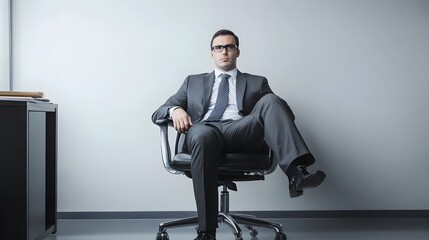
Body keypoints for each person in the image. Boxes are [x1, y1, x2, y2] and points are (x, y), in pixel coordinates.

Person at [152, 29, 326, 240]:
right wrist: (175, 110)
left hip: (241, 131)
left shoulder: (257, 82)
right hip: (205, 130)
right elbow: (158, 112)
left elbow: (283, 112)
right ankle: (206, 233)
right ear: (212, 53)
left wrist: (273, 108)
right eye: (219, 47)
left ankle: (296, 173)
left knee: (271, 101)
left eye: (230, 47)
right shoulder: (192, 82)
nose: (224, 51)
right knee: (202, 135)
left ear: (238, 52)